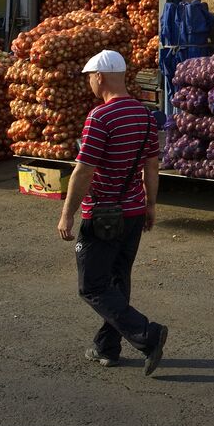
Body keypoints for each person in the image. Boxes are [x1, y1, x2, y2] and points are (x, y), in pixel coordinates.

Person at [56, 49, 167, 376]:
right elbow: (152, 165)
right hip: (132, 212)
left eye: (90, 77)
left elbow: (83, 171)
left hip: (102, 215)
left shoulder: (100, 117)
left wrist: (67, 213)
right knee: (117, 281)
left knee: (91, 286)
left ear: (100, 77)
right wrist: (150, 205)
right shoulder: (146, 115)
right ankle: (108, 347)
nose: (90, 83)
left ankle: (147, 333)